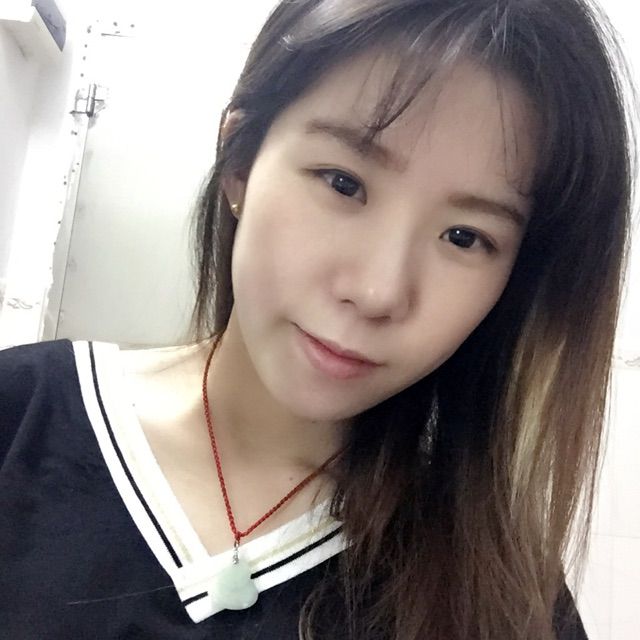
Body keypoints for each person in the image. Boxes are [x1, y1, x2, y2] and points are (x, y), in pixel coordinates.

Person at [0, 0, 634, 638]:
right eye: (343, 183)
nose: (379, 291)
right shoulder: (23, 413)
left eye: (464, 237)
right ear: (240, 162)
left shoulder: (505, 595)